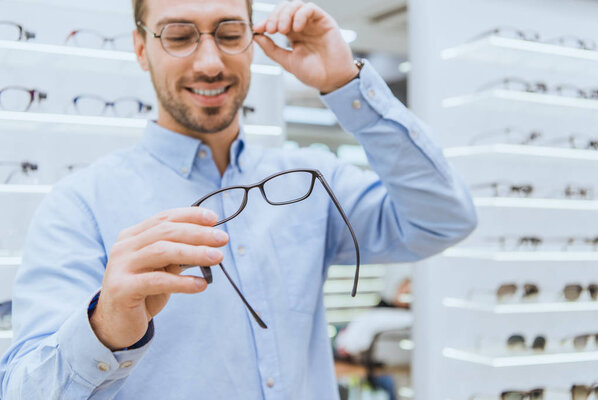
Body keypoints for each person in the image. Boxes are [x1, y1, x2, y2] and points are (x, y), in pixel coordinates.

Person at [0, 0, 477, 398]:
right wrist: (103, 329)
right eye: (179, 35)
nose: (210, 63)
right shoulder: (79, 206)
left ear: (253, 40)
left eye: (229, 33)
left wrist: (344, 84)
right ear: (141, 48)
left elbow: (444, 218)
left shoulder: (310, 180)